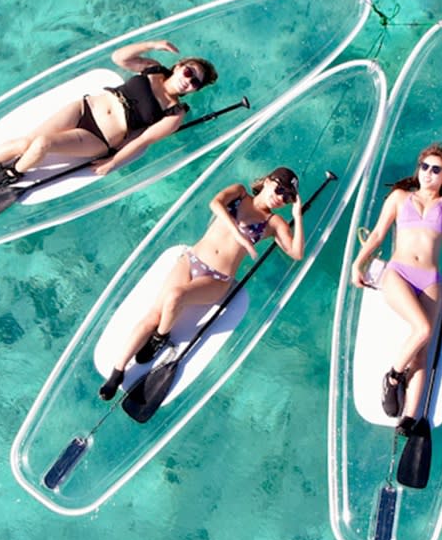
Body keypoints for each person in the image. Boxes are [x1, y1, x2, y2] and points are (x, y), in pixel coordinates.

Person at [97, 167, 306, 400]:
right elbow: (215, 203)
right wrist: (239, 236)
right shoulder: (239, 193)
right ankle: (117, 372)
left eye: (288, 197)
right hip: (191, 260)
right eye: (279, 190)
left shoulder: (274, 222)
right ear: (267, 181)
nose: (280, 199)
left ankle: (160, 337)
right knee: (153, 314)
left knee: (175, 296)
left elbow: (296, 253)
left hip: (216, 279)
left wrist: (296, 216)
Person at [347, 98, 442, 431]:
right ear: (418, 169)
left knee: (424, 350)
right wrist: (357, 265)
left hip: (431, 279)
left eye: (436, 169)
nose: (428, 173)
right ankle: (393, 377)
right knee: (423, 329)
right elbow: (377, 233)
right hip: (399, 273)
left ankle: (409, 419)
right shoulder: (399, 198)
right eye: (424, 166)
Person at [0, 40, 218, 194]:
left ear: (195, 91)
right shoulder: (153, 69)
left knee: (42, 144)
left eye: (195, 83)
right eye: (189, 72)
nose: (189, 81)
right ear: (180, 65)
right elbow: (119, 57)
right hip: (85, 108)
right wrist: (153, 44)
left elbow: (144, 140)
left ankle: (12, 172)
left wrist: (112, 162)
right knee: (26, 142)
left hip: (99, 137)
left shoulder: (175, 111)